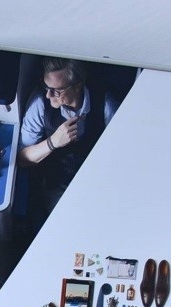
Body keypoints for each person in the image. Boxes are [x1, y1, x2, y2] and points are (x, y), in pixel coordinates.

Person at [17, 57, 120, 226]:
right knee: (66, 223)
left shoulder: (106, 105)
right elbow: (22, 157)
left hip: (96, 183)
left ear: (77, 86)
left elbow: (121, 153)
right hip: (55, 184)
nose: (48, 94)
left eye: (56, 90)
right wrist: (53, 142)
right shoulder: (40, 103)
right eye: (46, 86)